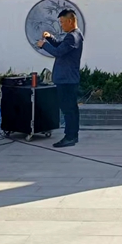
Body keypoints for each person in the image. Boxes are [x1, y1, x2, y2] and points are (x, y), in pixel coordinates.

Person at [37, 9, 84, 148]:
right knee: (71, 109)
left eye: (62, 22)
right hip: (68, 79)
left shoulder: (72, 37)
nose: (61, 25)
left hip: (66, 80)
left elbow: (58, 52)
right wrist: (50, 38)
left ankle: (70, 137)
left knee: (68, 110)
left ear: (70, 21)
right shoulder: (74, 35)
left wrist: (43, 45)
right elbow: (60, 46)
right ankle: (72, 135)